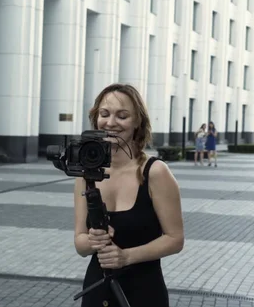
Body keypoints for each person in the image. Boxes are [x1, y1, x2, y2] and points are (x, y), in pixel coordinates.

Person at [73, 83, 184, 307]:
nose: (111, 122)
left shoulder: (155, 172)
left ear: (137, 123)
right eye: (104, 114)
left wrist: (127, 257)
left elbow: (175, 240)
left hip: (142, 292)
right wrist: (92, 241)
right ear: (96, 119)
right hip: (97, 290)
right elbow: (80, 242)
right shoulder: (86, 174)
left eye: (122, 116)